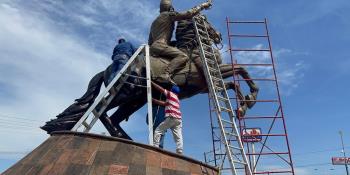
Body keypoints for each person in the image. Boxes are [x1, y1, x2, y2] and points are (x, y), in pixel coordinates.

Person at [148, 0, 212, 85]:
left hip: (154, 47)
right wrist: (203, 5)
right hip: (160, 45)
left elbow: (150, 42)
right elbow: (188, 14)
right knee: (183, 56)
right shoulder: (168, 15)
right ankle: (165, 74)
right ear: (170, 8)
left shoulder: (154, 23)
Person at [151, 81, 183, 154]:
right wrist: (154, 100)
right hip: (178, 120)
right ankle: (179, 150)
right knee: (178, 136)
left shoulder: (170, 94)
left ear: (172, 90)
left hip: (171, 117)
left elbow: (161, 89)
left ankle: (155, 146)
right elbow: (165, 103)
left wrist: (151, 82)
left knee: (158, 130)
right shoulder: (177, 99)